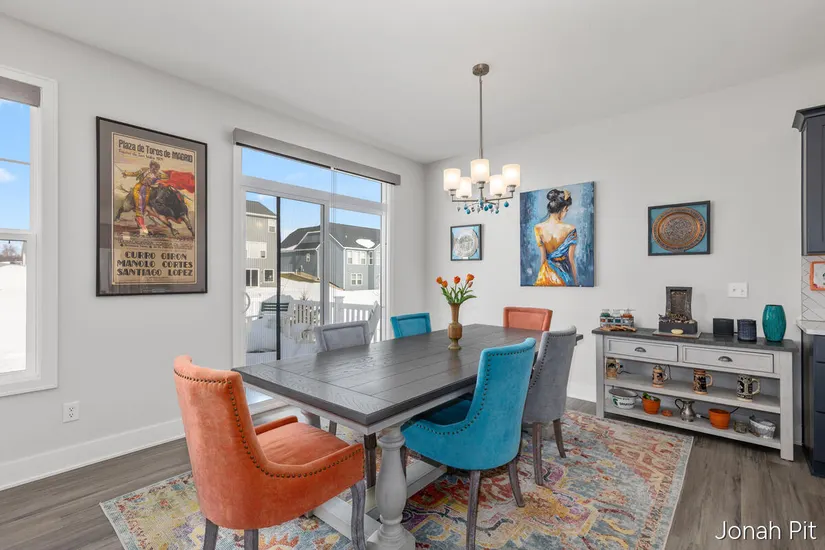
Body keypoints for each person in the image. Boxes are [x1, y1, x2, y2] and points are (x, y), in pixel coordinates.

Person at [533, 189, 578, 286]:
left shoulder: (538, 228)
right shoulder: (571, 229)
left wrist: (542, 275)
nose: (566, 213)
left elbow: (543, 258)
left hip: (546, 274)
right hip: (563, 275)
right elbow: (571, 260)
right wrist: (575, 283)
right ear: (564, 208)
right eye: (566, 210)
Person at [121, 160, 169, 235]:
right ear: (151, 166)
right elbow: (134, 173)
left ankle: (139, 221)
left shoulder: (158, 174)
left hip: (147, 190)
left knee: (144, 207)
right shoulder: (144, 170)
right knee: (140, 205)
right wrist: (126, 173)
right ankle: (142, 224)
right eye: (153, 168)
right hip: (139, 188)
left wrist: (170, 176)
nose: (154, 170)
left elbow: (166, 177)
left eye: (156, 169)